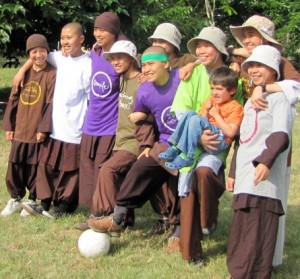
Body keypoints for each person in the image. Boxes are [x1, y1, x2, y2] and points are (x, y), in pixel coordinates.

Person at [87, 46, 181, 244]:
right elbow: (142, 119)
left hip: (188, 142)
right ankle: (118, 217)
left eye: (151, 64)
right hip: (162, 143)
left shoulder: (181, 79)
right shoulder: (142, 86)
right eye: (144, 64)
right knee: (142, 168)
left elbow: (204, 67)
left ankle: (178, 229)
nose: (146, 69)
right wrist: (146, 146)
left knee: (177, 181)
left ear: (166, 64)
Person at [228, 15, 300, 267]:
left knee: (266, 216)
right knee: (247, 221)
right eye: (244, 35)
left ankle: (265, 263)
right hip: (250, 155)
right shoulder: (251, 67)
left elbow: (283, 126)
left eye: (252, 34)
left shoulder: (281, 64)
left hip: (272, 154)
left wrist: (266, 88)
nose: (246, 39)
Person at [171, 26, 243, 264]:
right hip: (194, 142)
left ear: (220, 49)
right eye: (198, 46)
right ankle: (191, 254)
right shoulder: (191, 73)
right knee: (189, 192)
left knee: (206, 174)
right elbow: (180, 110)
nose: (201, 51)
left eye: (206, 45)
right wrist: (197, 135)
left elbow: (237, 116)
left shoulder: (234, 78)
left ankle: (209, 219)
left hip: (217, 145)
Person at [14, 22, 91, 217]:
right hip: (53, 127)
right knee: (46, 166)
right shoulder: (58, 58)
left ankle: (63, 207)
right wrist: (22, 71)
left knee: (69, 170)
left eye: (69, 37)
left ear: (81, 39)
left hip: (74, 127)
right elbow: (37, 56)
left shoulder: (87, 65)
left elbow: (91, 100)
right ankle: (44, 203)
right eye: (62, 38)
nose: (65, 41)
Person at [75, 40, 141, 230]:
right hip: (119, 140)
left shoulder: (142, 83)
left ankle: (101, 215)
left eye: (120, 58)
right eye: (113, 59)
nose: (115, 62)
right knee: (119, 178)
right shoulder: (121, 79)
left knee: (107, 169)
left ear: (131, 59)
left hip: (134, 143)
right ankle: (126, 220)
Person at [0, 34, 56, 217]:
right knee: (15, 164)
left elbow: (49, 104)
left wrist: (43, 128)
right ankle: (15, 198)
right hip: (21, 128)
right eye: (34, 51)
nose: (38, 55)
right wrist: (9, 126)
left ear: (47, 51)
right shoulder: (23, 74)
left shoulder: (52, 74)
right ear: (28, 53)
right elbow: (13, 99)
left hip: (36, 129)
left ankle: (32, 199)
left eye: (42, 50)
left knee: (34, 165)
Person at [78, 12, 124, 209]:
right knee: (88, 170)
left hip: (109, 125)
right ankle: (92, 210)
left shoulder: (120, 57)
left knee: (102, 171)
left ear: (113, 31)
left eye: (102, 29)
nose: (97, 33)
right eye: (96, 29)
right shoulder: (96, 52)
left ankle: (104, 212)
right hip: (91, 123)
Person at [159, 67, 243, 170]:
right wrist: (207, 111)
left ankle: (187, 156)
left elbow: (231, 132)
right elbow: (200, 121)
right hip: (206, 136)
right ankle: (175, 146)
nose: (214, 92)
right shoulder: (212, 100)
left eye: (219, 89)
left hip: (219, 141)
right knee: (190, 114)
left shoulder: (236, 107)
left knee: (194, 119)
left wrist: (217, 115)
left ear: (232, 90)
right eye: (212, 88)